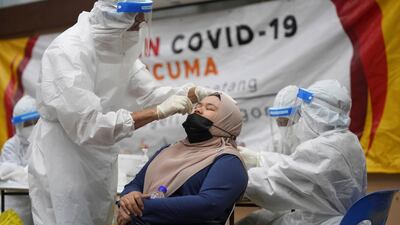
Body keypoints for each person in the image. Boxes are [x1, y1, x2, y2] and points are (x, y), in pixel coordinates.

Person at [28, 1, 214, 224]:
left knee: (100, 217)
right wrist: (156, 113)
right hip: (64, 156)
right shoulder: (69, 51)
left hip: (99, 157)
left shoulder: (118, 44)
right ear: (113, 16)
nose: (140, 26)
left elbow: (150, 92)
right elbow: (88, 126)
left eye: (143, 19)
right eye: (135, 20)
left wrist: (193, 92)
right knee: (67, 217)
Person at [236, 80, 367, 225]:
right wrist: (258, 158)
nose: (301, 117)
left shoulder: (320, 148)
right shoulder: (346, 140)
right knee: (256, 220)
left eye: (303, 112)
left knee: (250, 222)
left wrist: (232, 176)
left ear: (315, 113)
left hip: (318, 220)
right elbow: (295, 168)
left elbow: (275, 186)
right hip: (332, 216)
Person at [117, 93, 248, 225]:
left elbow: (208, 205)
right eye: (198, 105)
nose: (197, 109)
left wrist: (138, 209)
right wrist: (129, 197)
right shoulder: (167, 150)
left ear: (226, 121)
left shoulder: (228, 161)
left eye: (209, 108)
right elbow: (135, 184)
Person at [0, 95, 39, 225]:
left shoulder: (45, 144)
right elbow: (6, 173)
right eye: (27, 123)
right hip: (16, 205)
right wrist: (30, 173)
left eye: (36, 121)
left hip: (40, 204)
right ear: (18, 125)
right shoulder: (11, 146)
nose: (32, 126)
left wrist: (21, 173)